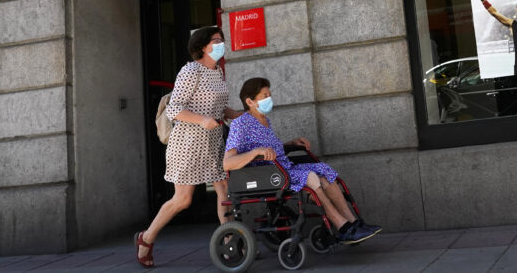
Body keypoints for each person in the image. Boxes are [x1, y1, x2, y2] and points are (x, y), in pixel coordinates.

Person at [223, 77, 382, 244]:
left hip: (284, 168)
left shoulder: (264, 121)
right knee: (312, 177)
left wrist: (290, 143)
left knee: (325, 174)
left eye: (269, 94)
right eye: (264, 96)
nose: (269, 99)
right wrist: (255, 152)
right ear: (250, 101)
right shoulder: (240, 124)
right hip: (269, 175)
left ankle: (354, 223)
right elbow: (228, 162)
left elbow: (271, 150)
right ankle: (342, 227)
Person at [136, 26, 241, 268]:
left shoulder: (217, 72)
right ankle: (146, 238)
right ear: (202, 46)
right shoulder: (190, 70)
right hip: (187, 143)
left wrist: (233, 113)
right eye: (215, 40)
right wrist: (202, 120)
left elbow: (215, 105)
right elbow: (174, 108)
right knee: (183, 199)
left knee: (223, 189)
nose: (220, 44)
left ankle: (229, 243)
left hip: (213, 141)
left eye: (221, 40)